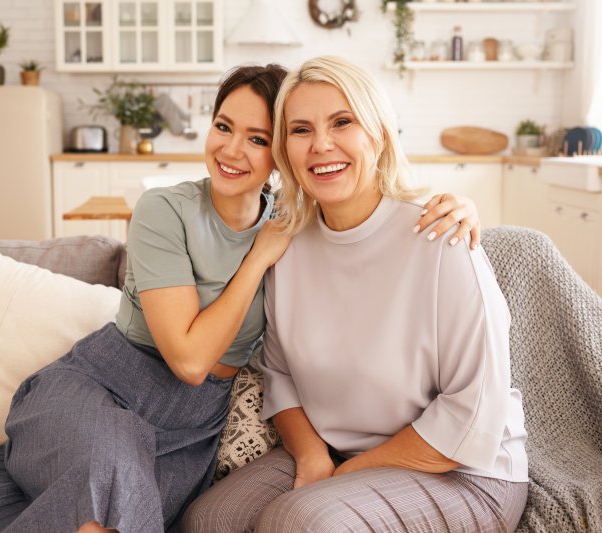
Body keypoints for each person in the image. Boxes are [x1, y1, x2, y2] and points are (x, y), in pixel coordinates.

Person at [0, 63, 482, 533]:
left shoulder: (298, 224)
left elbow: (375, 229)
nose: (230, 150)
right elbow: (189, 361)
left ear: (282, 156)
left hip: (190, 429)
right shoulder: (166, 209)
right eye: (223, 127)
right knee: (107, 487)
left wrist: (461, 205)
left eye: (257, 137)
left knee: (143, 507)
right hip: (100, 387)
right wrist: (258, 259)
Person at [182, 56, 529, 533]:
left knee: (300, 521)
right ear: (285, 150)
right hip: (337, 450)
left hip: (463, 468)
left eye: (342, 122)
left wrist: (342, 478)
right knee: (209, 520)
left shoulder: (442, 240)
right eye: (300, 130)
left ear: (378, 134)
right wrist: (312, 459)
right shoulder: (287, 246)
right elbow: (279, 377)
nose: (321, 145)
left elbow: (470, 413)